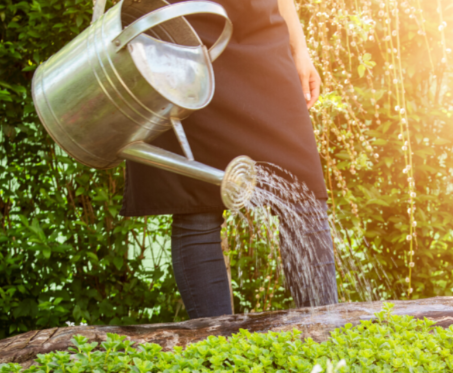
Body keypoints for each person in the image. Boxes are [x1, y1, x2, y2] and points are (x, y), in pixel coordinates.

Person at [121, 0, 337, 318]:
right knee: (196, 204)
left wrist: (300, 49)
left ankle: (324, 336)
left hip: (261, 29)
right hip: (181, 30)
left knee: (303, 198)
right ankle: (217, 350)